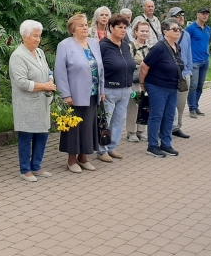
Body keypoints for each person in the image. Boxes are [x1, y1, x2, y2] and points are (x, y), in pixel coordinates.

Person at [55, 14, 105, 173]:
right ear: (73, 29)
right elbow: (60, 71)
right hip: (74, 95)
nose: (85, 27)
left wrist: (101, 91)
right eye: (81, 25)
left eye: (86, 25)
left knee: (88, 126)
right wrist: (65, 94)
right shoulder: (65, 45)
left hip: (93, 93)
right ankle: (71, 160)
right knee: (73, 127)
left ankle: (83, 158)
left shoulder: (94, 43)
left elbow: (100, 69)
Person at [8, 20, 56, 181]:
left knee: (42, 133)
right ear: (24, 36)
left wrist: (50, 79)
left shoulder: (40, 52)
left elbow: (48, 70)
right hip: (27, 103)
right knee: (26, 135)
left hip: (42, 102)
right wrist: (44, 86)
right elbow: (21, 82)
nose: (38, 39)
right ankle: (25, 169)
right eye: (34, 36)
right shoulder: (18, 56)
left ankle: (37, 166)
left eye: (39, 36)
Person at [139, 18, 183, 158]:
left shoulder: (177, 46)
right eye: (174, 29)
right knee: (157, 115)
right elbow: (145, 66)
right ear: (165, 32)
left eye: (179, 29)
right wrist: (142, 83)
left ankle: (166, 143)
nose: (178, 31)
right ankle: (152, 145)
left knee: (169, 116)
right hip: (157, 86)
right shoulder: (159, 47)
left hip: (172, 86)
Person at [97, 14, 136, 163]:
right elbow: (98, 69)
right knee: (105, 121)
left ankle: (112, 147)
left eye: (125, 27)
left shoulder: (125, 45)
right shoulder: (103, 46)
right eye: (119, 27)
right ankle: (102, 150)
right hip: (109, 90)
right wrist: (101, 90)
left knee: (119, 120)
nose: (123, 30)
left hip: (125, 89)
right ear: (111, 28)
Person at [167, 7, 192, 139]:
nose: (181, 17)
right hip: (170, 74)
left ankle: (177, 127)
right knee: (169, 103)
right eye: (178, 15)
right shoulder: (165, 35)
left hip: (184, 74)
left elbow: (189, 54)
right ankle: (165, 128)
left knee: (181, 104)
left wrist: (189, 71)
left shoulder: (186, 35)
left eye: (182, 14)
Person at [126, 21, 153, 142]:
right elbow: (129, 63)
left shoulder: (150, 47)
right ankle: (131, 131)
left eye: (146, 31)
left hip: (147, 81)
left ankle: (141, 130)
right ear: (136, 32)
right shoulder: (131, 46)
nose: (144, 33)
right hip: (135, 81)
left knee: (144, 105)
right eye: (142, 31)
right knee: (133, 105)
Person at [185, 7, 211, 118]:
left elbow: (207, 42)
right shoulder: (191, 28)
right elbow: (185, 42)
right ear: (197, 14)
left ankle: (196, 105)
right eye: (203, 13)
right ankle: (192, 108)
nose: (205, 16)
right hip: (194, 61)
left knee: (200, 85)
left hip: (205, 60)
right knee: (193, 85)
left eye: (207, 14)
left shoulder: (208, 29)